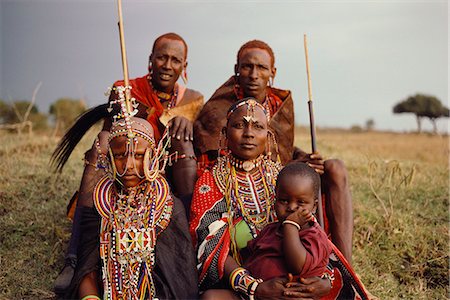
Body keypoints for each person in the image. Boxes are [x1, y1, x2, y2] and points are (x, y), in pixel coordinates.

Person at [53, 32, 203, 294]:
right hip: (124, 172)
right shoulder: (125, 88)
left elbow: (205, 144)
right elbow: (111, 139)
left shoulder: (193, 100)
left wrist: (185, 124)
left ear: (184, 67)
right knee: (100, 141)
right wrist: (128, 119)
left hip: (166, 177)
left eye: (175, 60)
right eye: (161, 58)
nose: (168, 65)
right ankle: (74, 258)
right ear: (150, 60)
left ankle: (194, 243)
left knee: (182, 138)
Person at [194, 39, 353, 263]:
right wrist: (290, 170)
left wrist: (302, 160)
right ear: (236, 70)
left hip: (278, 174)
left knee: (335, 167)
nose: (254, 74)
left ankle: (345, 265)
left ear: (273, 72)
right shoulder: (219, 108)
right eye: (247, 66)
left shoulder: (279, 103)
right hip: (244, 180)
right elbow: (223, 156)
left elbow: (281, 148)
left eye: (261, 68)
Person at [190, 98, 333, 299]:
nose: (248, 133)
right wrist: (255, 289)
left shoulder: (282, 176)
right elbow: (209, 247)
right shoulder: (211, 180)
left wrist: (324, 279)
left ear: (268, 135)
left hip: (293, 279)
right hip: (243, 284)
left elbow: (312, 232)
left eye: (258, 127)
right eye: (239, 125)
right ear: (224, 133)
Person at [64, 116, 198, 299]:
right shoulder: (100, 204)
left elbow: (180, 279)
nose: (128, 165)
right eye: (119, 155)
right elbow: (87, 269)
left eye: (139, 155)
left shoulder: (168, 207)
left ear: (153, 156)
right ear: (109, 157)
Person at [244, 161, 332, 281]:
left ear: (314, 206)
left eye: (300, 202)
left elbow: (297, 266)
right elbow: (249, 252)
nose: (291, 207)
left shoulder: (315, 237)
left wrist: (291, 226)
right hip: (255, 290)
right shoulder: (270, 230)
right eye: (284, 201)